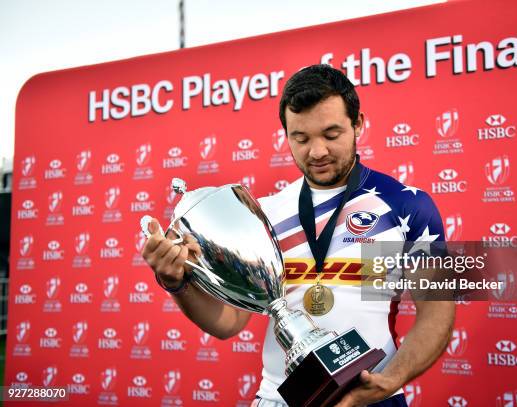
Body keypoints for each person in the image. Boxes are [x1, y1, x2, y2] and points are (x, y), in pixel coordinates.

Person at [142, 64, 455, 407]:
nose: (316, 152)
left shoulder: (408, 204)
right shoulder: (263, 213)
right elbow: (228, 324)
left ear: (359, 124)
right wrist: (176, 284)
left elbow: (438, 311)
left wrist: (390, 380)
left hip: (374, 397)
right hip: (278, 399)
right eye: (301, 138)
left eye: (331, 134)